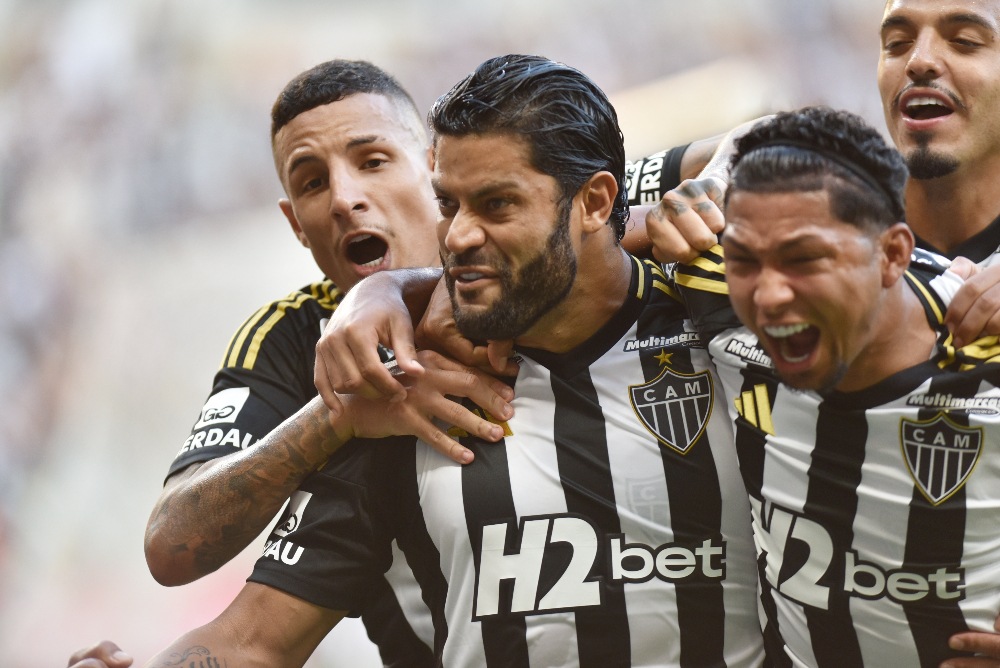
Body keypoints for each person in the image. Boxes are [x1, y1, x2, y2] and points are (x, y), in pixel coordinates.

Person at [134, 54, 765, 668]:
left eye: (373, 161)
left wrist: (697, 202)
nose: (345, 198)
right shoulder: (358, 384)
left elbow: (760, 145)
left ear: (426, 163)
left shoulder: (692, 295)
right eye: (311, 182)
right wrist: (338, 417)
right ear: (294, 222)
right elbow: (215, 596)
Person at [673, 106, 1000, 668]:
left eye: (805, 260)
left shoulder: (987, 353)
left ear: (893, 255)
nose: (769, 295)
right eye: (744, 260)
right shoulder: (713, 291)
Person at [644, 0, 1000, 350]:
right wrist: (719, 172)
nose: (918, 60)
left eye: (965, 41)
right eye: (896, 44)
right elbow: (595, 196)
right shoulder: (778, 215)